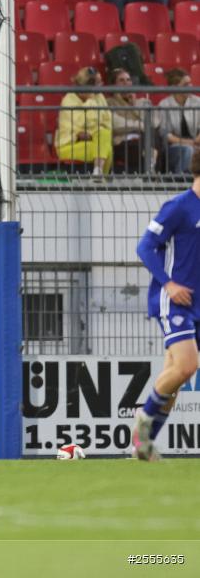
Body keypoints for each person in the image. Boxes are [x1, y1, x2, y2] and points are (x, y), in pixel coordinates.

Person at [133, 149, 200, 461]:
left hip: (196, 303)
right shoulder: (179, 207)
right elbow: (145, 246)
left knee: (174, 379)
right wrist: (169, 284)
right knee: (188, 366)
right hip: (174, 302)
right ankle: (142, 422)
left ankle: (144, 447)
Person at [55, 66, 113, 176]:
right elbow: (83, 125)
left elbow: (107, 122)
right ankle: (101, 181)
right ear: (88, 86)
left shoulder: (99, 96)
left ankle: (97, 175)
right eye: (99, 83)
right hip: (68, 146)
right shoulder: (69, 100)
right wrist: (91, 100)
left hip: (96, 141)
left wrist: (96, 131)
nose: (102, 85)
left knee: (105, 137)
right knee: (107, 150)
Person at [156, 68, 200, 176]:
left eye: (190, 83)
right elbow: (166, 135)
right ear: (175, 87)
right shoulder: (164, 104)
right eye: (185, 84)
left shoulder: (197, 102)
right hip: (173, 147)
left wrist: (196, 142)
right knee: (188, 150)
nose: (190, 87)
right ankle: (181, 181)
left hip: (196, 144)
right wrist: (190, 143)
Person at [107, 68, 152, 173]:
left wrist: (134, 106)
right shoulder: (109, 103)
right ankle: (149, 174)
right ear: (114, 85)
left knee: (154, 140)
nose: (126, 83)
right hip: (122, 142)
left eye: (128, 80)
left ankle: (151, 172)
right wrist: (141, 126)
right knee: (140, 147)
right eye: (121, 80)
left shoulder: (142, 102)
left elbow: (152, 122)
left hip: (143, 139)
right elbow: (116, 124)